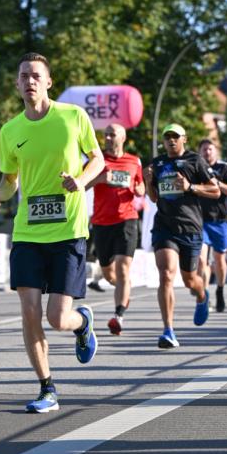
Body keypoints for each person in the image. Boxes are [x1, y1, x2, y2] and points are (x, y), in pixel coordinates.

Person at [0, 53, 103, 413]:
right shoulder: (10, 131)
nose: (30, 81)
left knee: (57, 318)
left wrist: (79, 181)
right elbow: (9, 182)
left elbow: (97, 158)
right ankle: (47, 387)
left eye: (36, 75)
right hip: (28, 234)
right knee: (30, 312)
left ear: (49, 82)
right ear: (17, 84)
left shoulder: (72, 117)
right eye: (23, 76)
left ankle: (82, 323)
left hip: (68, 231)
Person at [143, 123, 219, 348]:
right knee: (166, 274)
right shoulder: (157, 163)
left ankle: (202, 294)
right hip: (164, 228)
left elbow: (215, 190)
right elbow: (154, 198)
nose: (171, 141)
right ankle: (168, 330)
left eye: (175, 137)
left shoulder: (196, 161)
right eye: (167, 137)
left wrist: (190, 187)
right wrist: (148, 181)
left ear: (184, 139)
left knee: (190, 280)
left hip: (190, 228)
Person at [88, 122, 145, 335]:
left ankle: (118, 315)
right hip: (102, 223)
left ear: (123, 138)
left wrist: (140, 188)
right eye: (106, 135)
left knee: (122, 269)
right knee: (109, 272)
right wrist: (101, 178)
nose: (108, 138)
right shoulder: (97, 161)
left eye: (112, 135)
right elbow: (81, 185)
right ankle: (124, 288)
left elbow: (140, 187)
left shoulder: (134, 161)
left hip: (127, 220)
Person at [196, 139, 227, 312]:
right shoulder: (196, 167)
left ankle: (220, 290)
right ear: (200, 152)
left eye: (210, 149)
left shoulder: (225, 168)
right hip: (200, 220)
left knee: (220, 259)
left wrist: (217, 183)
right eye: (204, 150)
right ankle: (205, 295)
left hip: (220, 220)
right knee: (201, 260)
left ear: (215, 151)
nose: (207, 152)